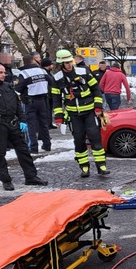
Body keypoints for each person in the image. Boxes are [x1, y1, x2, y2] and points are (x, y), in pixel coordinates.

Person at [0, 63, 48, 190]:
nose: (4, 75)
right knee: (0, 153)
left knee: (23, 151)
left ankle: (31, 177)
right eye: (0, 72)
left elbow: (17, 105)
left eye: (4, 73)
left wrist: (23, 120)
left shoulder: (8, 86)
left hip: (13, 123)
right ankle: (6, 180)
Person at [51, 49, 110, 177]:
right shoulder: (56, 78)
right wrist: (59, 117)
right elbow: (56, 100)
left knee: (95, 138)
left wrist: (98, 107)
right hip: (73, 115)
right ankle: (84, 167)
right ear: (60, 64)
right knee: (79, 140)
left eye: (69, 61)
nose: (68, 64)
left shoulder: (83, 72)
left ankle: (101, 166)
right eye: (65, 63)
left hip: (89, 112)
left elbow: (96, 89)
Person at [16, 54, 53, 153]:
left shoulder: (24, 73)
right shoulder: (42, 71)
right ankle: (47, 145)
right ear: (33, 61)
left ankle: (33, 147)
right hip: (43, 100)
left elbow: (18, 89)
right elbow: (51, 82)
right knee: (43, 124)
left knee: (31, 124)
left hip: (30, 101)